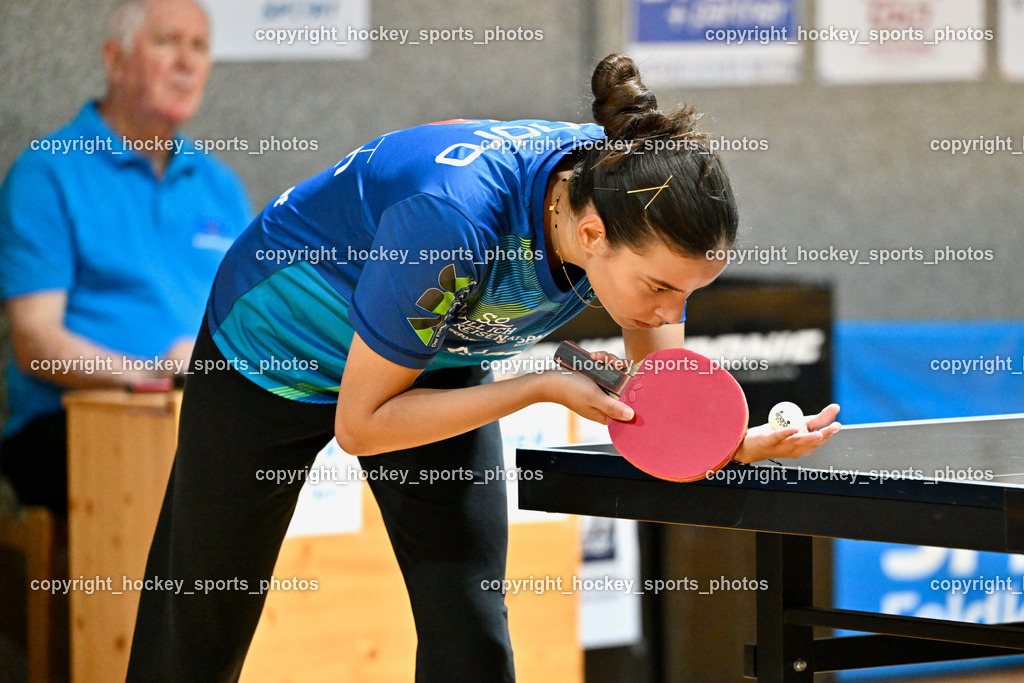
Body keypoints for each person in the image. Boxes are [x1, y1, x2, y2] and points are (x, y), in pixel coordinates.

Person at [126, 54, 841, 681]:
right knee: (201, 620)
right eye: (660, 289)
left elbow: (655, 402)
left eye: (688, 294)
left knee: (467, 617)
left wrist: (727, 443)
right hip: (272, 347)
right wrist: (535, 385)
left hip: (432, 349)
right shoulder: (453, 223)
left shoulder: (626, 186)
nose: (666, 313)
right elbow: (362, 425)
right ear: (591, 235)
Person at [0, 0, 251, 514]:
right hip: (73, 423)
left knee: (328, 457)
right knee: (197, 478)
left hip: (199, 417)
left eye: (199, 46)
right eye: (166, 41)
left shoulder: (219, 186)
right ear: (114, 60)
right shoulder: (47, 173)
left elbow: (254, 320)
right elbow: (35, 341)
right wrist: (152, 375)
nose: (186, 61)